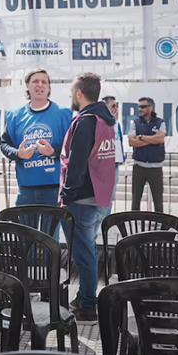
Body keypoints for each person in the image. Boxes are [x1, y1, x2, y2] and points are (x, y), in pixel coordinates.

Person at [60, 72, 116, 324]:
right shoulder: (106, 119)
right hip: (99, 195)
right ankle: (84, 297)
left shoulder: (85, 121)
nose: (72, 96)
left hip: (82, 199)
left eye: (73, 92)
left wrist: (66, 196)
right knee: (88, 251)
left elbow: (77, 164)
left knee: (84, 254)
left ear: (80, 93)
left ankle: (87, 306)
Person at [1, 69, 72, 207]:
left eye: (44, 82)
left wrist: (53, 153)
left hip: (54, 187)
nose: (40, 85)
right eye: (35, 81)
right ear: (27, 85)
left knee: (49, 229)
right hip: (26, 188)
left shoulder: (64, 114)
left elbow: (74, 147)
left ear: (49, 87)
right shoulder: (15, 115)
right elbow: (4, 144)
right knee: (25, 229)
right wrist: (18, 153)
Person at [128, 96, 166, 212]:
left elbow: (160, 140)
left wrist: (141, 137)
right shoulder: (135, 122)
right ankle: (134, 223)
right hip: (139, 167)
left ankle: (161, 224)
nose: (140, 109)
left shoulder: (160, 122)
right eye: (139, 106)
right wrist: (152, 140)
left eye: (143, 106)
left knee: (158, 200)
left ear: (150, 108)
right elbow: (131, 141)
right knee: (135, 199)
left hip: (156, 168)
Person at [102, 96, 125, 216]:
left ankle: (106, 218)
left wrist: (121, 157)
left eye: (117, 106)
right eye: (113, 106)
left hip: (114, 163)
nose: (116, 108)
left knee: (112, 194)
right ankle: (101, 218)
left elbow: (119, 140)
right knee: (104, 193)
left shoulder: (117, 123)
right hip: (104, 163)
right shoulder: (101, 122)